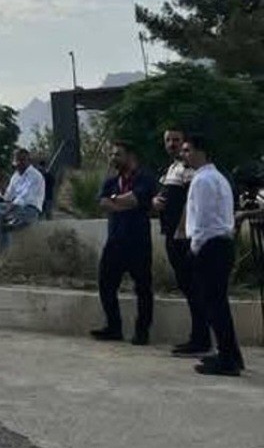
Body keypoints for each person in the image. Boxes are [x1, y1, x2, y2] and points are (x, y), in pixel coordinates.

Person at [182, 134, 245, 377]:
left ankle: (227, 359)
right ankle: (231, 354)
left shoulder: (203, 180)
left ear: (201, 152)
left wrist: (195, 248)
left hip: (210, 246)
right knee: (219, 304)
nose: (184, 155)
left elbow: (204, 219)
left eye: (188, 150)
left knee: (213, 305)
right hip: (221, 243)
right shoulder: (219, 178)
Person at [91, 141, 158, 346]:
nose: (113, 158)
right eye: (112, 154)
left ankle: (142, 331)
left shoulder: (145, 178)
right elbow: (102, 203)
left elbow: (136, 199)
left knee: (143, 287)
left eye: (117, 154)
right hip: (115, 241)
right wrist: (121, 202)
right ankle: (113, 327)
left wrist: (115, 201)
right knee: (106, 284)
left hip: (138, 241)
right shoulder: (112, 181)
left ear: (130, 156)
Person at [154, 129, 211, 358]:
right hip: (171, 235)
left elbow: (190, 203)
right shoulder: (172, 168)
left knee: (194, 287)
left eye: (177, 140)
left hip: (184, 238)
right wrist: (156, 201)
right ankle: (198, 337)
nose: (172, 144)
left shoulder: (191, 171)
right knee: (187, 286)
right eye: (168, 140)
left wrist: (181, 231)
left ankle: (201, 338)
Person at [0, 148, 46, 252]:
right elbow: (8, 197)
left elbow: (24, 198)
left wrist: (9, 208)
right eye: (17, 161)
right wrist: (2, 192)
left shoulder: (35, 176)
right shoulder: (15, 177)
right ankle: (5, 216)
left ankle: (3, 256)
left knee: (3, 226)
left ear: (28, 161)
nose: (19, 163)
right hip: (12, 209)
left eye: (22, 160)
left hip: (28, 210)